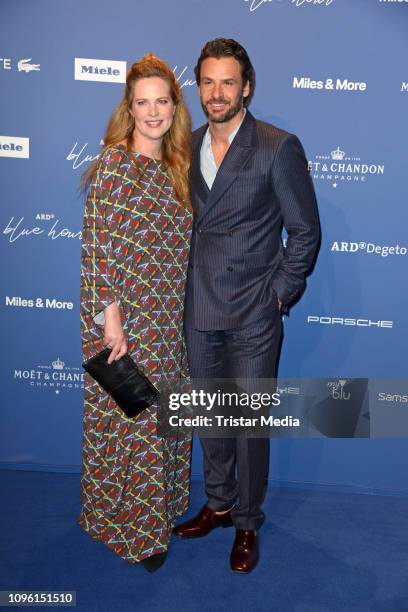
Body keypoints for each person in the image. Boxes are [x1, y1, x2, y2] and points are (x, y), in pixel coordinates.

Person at [174, 38, 320, 573]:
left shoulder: (277, 146)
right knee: (208, 416)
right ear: (200, 88)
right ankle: (217, 502)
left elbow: (304, 232)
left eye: (227, 82)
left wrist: (278, 295)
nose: (217, 92)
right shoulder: (184, 145)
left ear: (246, 88)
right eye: (208, 82)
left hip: (254, 313)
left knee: (248, 425)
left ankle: (247, 521)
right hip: (198, 309)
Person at [78, 54, 193, 572]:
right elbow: (98, 248)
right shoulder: (112, 165)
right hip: (123, 319)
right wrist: (111, 320)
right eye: (142, 102)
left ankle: (162, 512)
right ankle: (136, 534)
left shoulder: (176, 169)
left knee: (165, 418)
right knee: (135, 422)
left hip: (169, 318)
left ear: (174, 106)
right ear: (129, 108)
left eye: (161, 101)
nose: (153, 112)